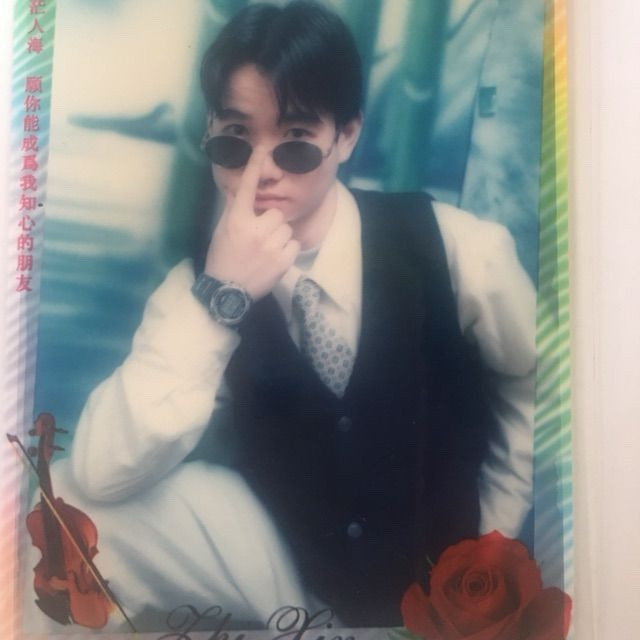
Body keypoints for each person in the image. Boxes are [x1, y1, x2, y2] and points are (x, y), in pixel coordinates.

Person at [52, 0, 534, 631]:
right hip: (289, 573)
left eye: (296, 143)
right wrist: (221, 299)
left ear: (347, 136)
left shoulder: (460, 249)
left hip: (441, 579)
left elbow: (538, 383)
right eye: (234, 140)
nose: (260, 174)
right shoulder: (194, 288)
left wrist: (496, 528)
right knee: (56, 508)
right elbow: (98, 474)